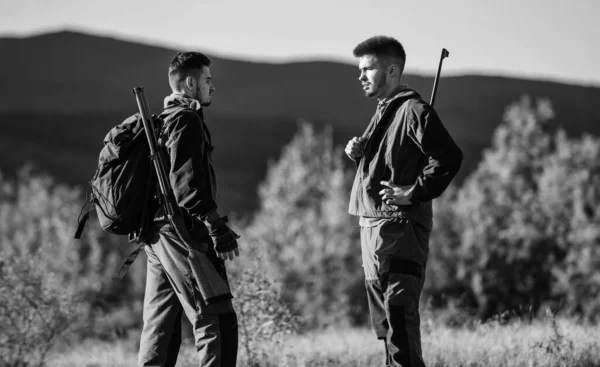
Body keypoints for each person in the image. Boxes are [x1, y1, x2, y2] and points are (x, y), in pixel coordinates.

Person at [345, 36, 463, 367]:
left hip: (400, 233)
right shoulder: (383, 112)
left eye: (368, 68)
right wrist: (358, 153)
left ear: (392, 69)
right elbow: (387, 165)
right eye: (360, 69)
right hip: (372, 235)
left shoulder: (413, 110)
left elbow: (449, 157)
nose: (361, 76)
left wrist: (412, 193)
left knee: (400, 327)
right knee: (387, 331)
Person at [138, 51, 240, 367]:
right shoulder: (185, 119)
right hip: (181, 231)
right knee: (216, 315)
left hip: (156, 234)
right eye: (208, 80)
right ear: (191, 83)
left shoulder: (162, 119)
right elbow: (187, 186)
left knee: (161, 323)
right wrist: (215, 225)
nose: (212, 86)